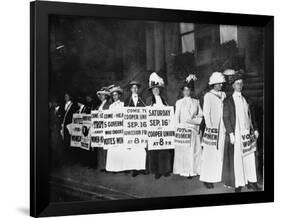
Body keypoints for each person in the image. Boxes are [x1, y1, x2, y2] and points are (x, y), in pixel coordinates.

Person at [222, 70, 260, 192]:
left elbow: (251, 115)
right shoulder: (228, 101)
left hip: (247, 133)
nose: (240, 85)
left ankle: (252, 181)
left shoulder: (246, 99)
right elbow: (226, 118)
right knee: (238, 159)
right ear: (233, 85)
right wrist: (231, 133)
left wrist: (255, 129)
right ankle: (239, 183)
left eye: (241, 83)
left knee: (249, 157)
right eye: (237, 83)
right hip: (237, 133)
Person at [199, 72, 226, 189]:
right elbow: (206, 113)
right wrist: (210, 128)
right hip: (212, 130)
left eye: (221, 83)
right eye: (218, 83)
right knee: (209, 154)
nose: (221, 85)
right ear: (213, 84)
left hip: (222, 128)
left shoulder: (224, 95)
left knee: (219, 153)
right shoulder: (208, 96)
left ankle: (217, 176)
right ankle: (206, 178)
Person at [173, 74, 203, 178]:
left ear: (191, 91)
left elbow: (200, 115)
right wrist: (176, 129)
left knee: (194, 151)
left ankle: (194, 170)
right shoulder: (179, 102)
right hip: (183, 130)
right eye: (184, 90)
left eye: (188, 90)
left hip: (193, 130)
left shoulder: (196, 101)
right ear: (182, 91)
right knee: (184, 152)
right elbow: (176, 117)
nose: (186, 92)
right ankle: (185, 171)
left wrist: (194, 122)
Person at [146, 72, 173, 179]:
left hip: (164, 129)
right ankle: (156, 171)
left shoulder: (164, 101)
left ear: (159, 89)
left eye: (157, 88)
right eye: (154, 89)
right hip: (153, 130)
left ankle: (165, 170)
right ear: (151, 90)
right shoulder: (149, 101)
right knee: (154, 151)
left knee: (164, 150)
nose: (156, 90)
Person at [124, 80, 147, 177]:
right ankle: (134, 168)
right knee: (132, 148)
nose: (135, 89)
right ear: (130, 89)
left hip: (140, 127)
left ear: (138, 89)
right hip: (131, 128)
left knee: (141, 147)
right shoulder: (126, 101)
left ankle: (141, 167)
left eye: (136, 88)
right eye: (133, 87)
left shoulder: (142, 100)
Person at [106, 86, 127, 172]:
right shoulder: (111, 106)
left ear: (119, 96)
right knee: (112, 148)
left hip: (120, 129)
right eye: (113, 95)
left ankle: (121, 167)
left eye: (116, 95)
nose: (115, 97)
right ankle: (112, 167)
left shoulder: (123, 105)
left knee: (120, 148)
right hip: (112, 129)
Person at [93, 87, 111, 171]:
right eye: (100, 95)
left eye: (103, 95)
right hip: (99, 128)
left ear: (106, 96)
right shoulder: (98, 106)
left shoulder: (108, 105)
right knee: (99, 146)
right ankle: (101, 165)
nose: (101, 96)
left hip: (105, 127)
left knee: (105, 147)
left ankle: (106, 165)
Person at [60, 92, 79, 162]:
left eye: (67, 96)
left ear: (70, 97)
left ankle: (72, 157)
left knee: (71, 141)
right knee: (65, 141)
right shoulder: (63, 105)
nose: (65, 97)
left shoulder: (74, 105)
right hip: (64, 126)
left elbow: (76, 115)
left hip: (71, 126)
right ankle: (66, 157)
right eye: (65, 96)